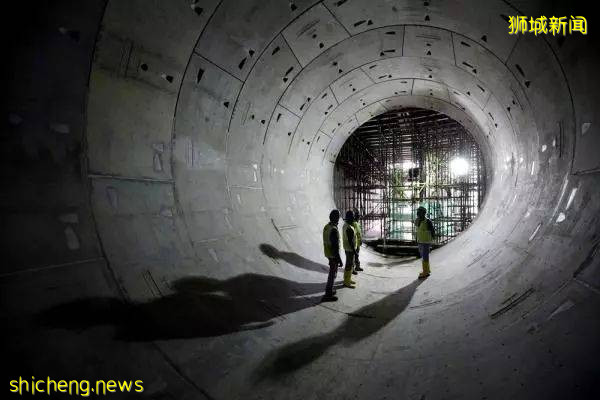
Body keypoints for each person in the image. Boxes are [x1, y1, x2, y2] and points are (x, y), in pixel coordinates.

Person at [322, 210, 343, 301]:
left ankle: (329, 290)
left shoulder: (327, 226)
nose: (339, 218)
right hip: (333, 255)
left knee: (332, 273)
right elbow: (335, 247)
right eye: (338, 216)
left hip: (328, 253)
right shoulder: (333, 230)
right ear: (335, 218)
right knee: (332, 274)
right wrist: (339, 259)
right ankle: (328, 294)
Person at [414, 206, 435, 279]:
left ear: (424, 213)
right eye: (418, 212)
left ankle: (425, 272)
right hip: (420, 241)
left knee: (425, 256)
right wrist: (416, 239)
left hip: (426, 242)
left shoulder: (428, 221)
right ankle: (427, 270)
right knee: (423, 256)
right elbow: (418, 229)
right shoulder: (418, 220)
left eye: (420, 212)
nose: (418, 214)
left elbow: (432, 231)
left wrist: (433, 239)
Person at [342, 210, 358, 288]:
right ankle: (346, 282)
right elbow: (350, 241)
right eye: (352, 217)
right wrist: (355, 252)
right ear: (349, 218)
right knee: (349, 265)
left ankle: (347, 279)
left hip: (347, 248)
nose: (353, 218)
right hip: (350, 249)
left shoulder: (345, 225)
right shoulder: (349, 228)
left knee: (349, 264)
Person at [352, 208, 364, 273]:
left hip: (358, 243)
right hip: (355, 243)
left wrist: (360, 240)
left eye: (359, 216)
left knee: (357, 255)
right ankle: (352, 269)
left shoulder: (357, 223)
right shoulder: (354, 223)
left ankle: (357, 266)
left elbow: (359, 233)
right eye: (358, 216)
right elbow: (354, 234)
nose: (359, 217)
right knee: (354, 256)